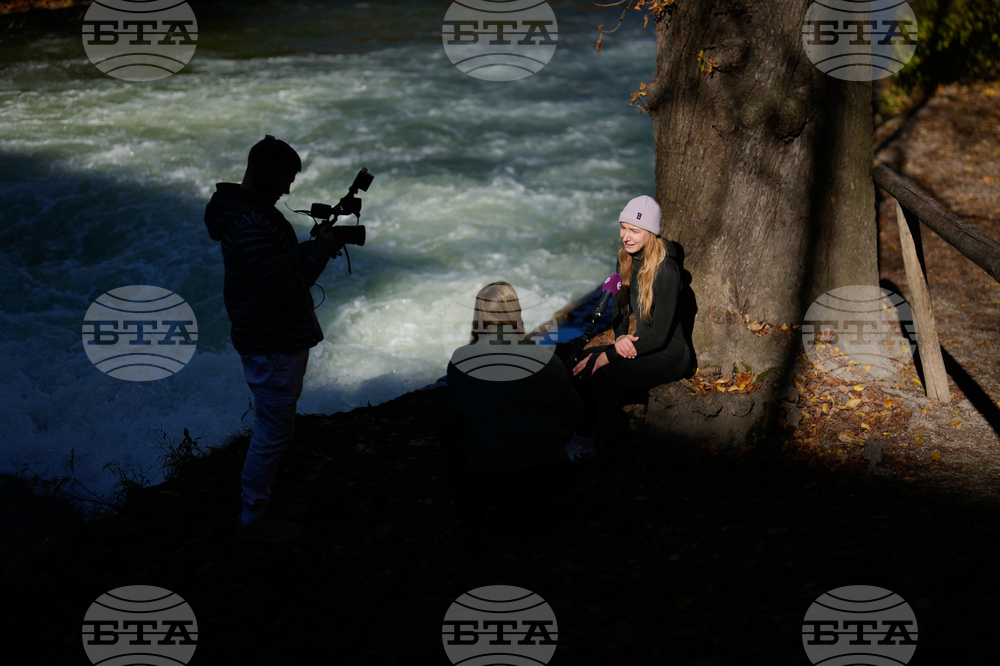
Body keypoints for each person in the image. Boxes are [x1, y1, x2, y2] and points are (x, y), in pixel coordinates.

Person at [204, 135, 343, 543]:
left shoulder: (252, 216)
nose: (288, 190)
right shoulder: (250, 225)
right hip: (272, 344)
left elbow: (274, 265)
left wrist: (313, 248)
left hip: (271, 339)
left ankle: (264, 503)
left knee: (276, 427)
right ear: (264, 177)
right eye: (286, 180)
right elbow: (285, 289)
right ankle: (253, 518)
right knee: (273, 433)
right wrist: (320, 252)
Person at [443, 282, 585, 520]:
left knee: (449, 428)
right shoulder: (546, 359)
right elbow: (577, 417)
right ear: (516, 313)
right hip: (549, 479)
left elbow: (455, 417)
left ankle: (470, 516)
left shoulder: (460, 360)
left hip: (488, 482)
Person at [570, 195, 695, 454]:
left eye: (634, 231)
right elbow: (620, 309)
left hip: (668, 355)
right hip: (640, 344)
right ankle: (579, 431)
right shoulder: (625, 258)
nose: (626, 236)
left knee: (594, 371)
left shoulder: (667, 271)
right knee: (578, 361)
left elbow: (660, 336)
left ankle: (585, 441)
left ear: (651, 233)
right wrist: (620, 337)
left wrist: (608, 356)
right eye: (623, 228)